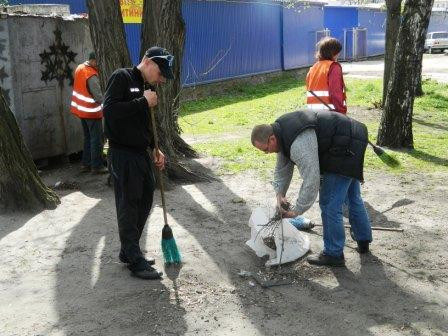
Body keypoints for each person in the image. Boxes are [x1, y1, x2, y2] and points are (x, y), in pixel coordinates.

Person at [251, 110, 372, 267]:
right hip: (350, 136)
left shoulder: (298, 144)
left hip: (345, 145)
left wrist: (297, 211)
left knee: (329, 203)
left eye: (265, 149)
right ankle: (363, 240)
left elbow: (311, 179)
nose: (266, 153)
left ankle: (334, 254)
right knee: (352, 196)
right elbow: (283, 167)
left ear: (272, 139)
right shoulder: (281, 132)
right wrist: (279, 193)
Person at [103, 47, 174, 280]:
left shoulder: (148, 88)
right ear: (148, 62)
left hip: (141, 153)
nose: (161, 80)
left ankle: (128, 250)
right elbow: (110, 111)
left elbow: (146, 122)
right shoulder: (122, 77)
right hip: (122, 154)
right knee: (129, 204)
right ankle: (134, 259)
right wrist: (142, 102)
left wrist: (155, 147)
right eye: (161, 74)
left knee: (145, 200)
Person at [70, 52, 108, 174]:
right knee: (96, 139)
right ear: (92, 60)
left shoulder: (80, 68)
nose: (98, 65)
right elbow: (98, 96)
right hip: (91, 112)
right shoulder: (91, 74)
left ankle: (86, 164)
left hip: (81, 111)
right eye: (97, 62)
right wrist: (107, 106)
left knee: (88, 138)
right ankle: (97, 166)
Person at [306, 37, 347, 114]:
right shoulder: (333, 67)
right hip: (330, 113)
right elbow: (335, 92)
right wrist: (341, 112)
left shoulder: (313, 68)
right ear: (334, 53)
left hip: (312, 113)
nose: (339, 55)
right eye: (338, 52)